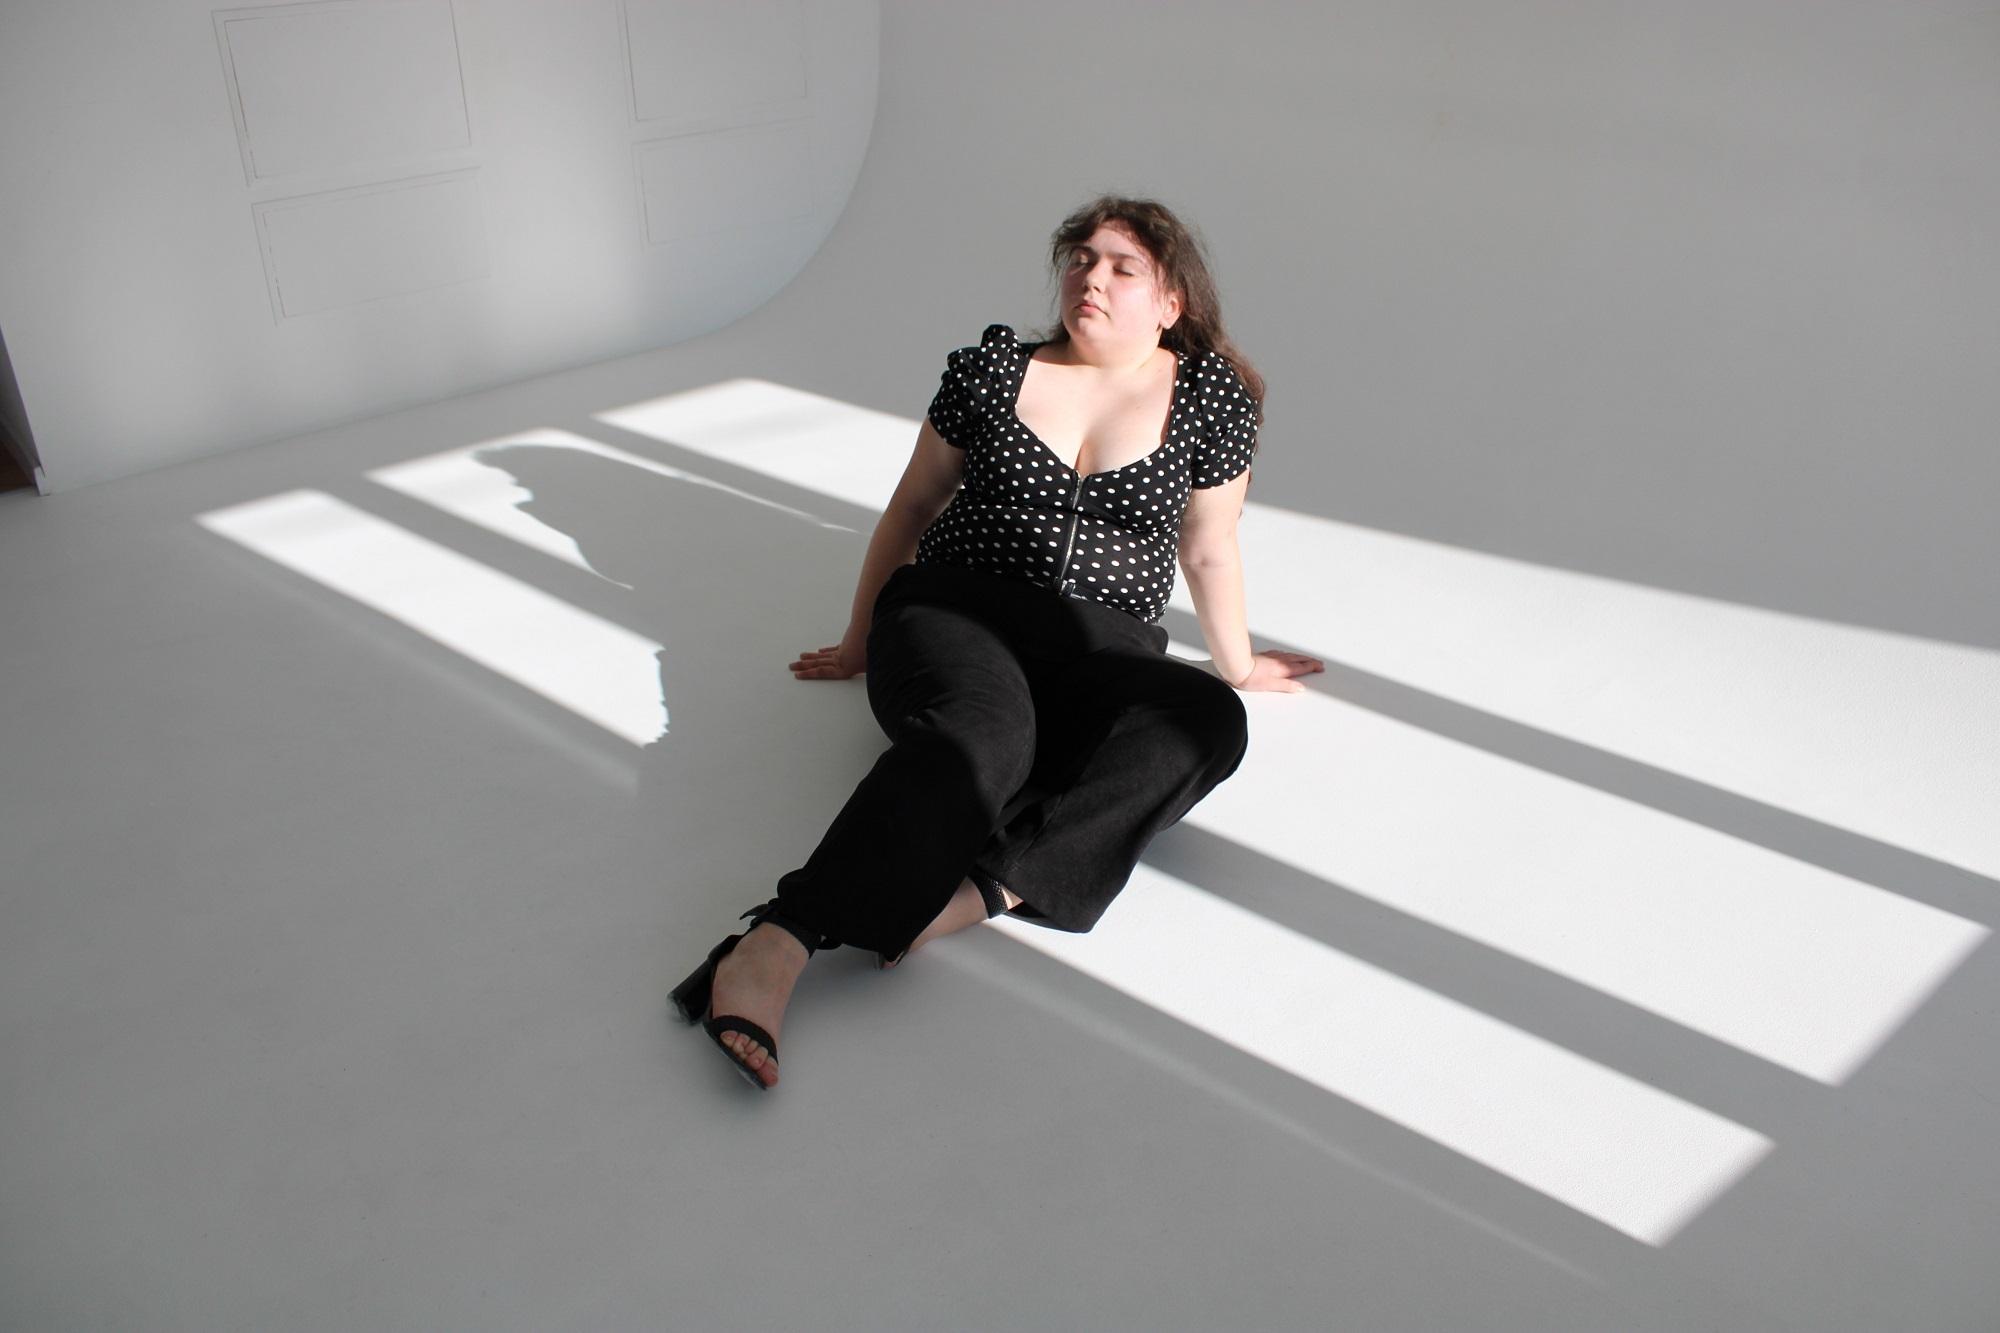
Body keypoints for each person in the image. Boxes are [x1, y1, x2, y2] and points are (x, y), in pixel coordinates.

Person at [671, 196, 1324, 1090]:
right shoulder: (993, 370)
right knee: (985, 738)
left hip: (1106, 650)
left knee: (1205, 721)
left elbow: (1209, 547)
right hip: (956, 612)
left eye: (1122, 267)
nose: (1091, 277)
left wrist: (1239, 666)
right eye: (1080, 258)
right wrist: (860, 638)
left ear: (1171, 301)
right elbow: (912, 506)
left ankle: (976, 891)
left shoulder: (1209, 398)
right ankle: (776, 941)